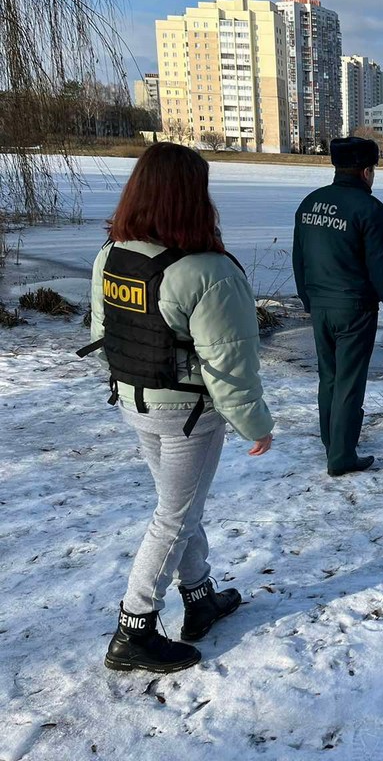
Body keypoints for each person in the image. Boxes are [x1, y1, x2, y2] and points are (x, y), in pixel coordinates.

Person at [79, 142, 274, 673]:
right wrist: (255, 424)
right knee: (174, 516)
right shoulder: (208, 272)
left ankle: (199, 596)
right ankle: (134, 629)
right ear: (195, 198)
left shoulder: (111, 255)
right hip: (189, 415)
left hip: (134, 401)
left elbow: (103, 332)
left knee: (180, 506)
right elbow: (230, 366)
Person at [293, 137, 383, 476]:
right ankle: (342, 456)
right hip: (355, 309)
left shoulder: (310, 204)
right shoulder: (370, 210)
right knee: (349, 381)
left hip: (320, 306)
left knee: (329, 377)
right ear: (365, 171)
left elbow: (299, 259)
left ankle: (332, 441)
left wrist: (309, 300)